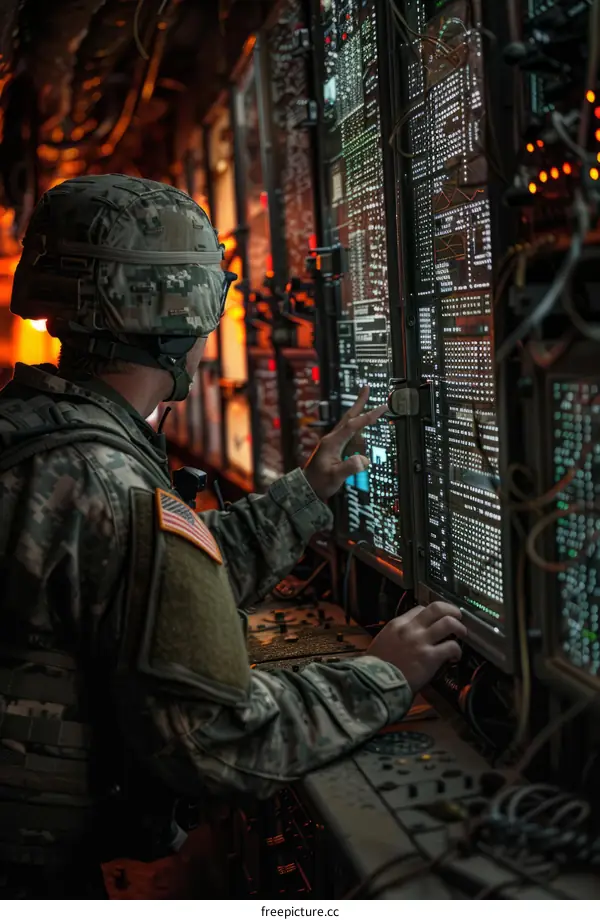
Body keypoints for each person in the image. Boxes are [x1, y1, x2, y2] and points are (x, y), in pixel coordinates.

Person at [0, 175, 466, 897]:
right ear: (181, 310)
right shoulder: (107, 480)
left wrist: (306, 493)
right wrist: (384, 676)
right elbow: (216, 744)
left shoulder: (41, 433)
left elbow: (149, 578)